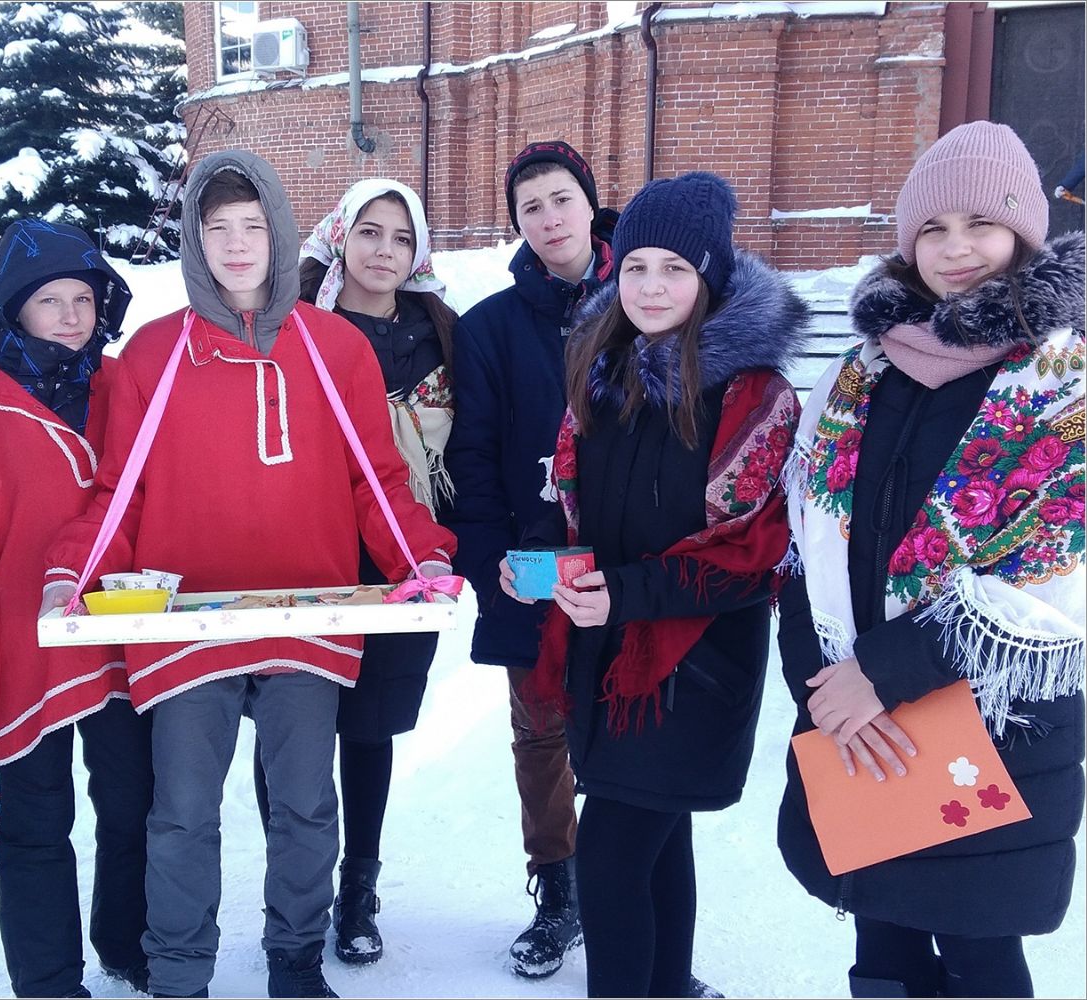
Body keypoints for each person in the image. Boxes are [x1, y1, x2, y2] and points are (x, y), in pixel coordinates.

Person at [42, 151, 457, 1000]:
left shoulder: (334, 347)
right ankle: (179, 973)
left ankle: (294, 961)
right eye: (217, 228)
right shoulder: (153, 354)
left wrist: (422, 556)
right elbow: (121, 489)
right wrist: (70, 574)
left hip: (308, 611)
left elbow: (374, 479)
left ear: (282, 234)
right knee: (182, 813)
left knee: (304, 806)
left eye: (253, 227)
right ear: (194, 240)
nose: (236, 245)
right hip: (184, 622)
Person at [777, 121, 1085, 998]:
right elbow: (806, 538)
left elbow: (1059, 568)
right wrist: (826, 688)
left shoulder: (1063, 382)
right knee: (882, 948)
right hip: (858, 719)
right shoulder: (859, 373)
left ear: (1021, 233)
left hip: (992, 722)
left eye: (980, 225)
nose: (955, 249)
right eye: (933, 228)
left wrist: (883, 673)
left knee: (978, 951)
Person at [510, 172, 808, 998]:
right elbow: (570, 501)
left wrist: (627, 593)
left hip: (690, 668)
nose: (649, 287)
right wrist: (537, 556)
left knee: (609, 855)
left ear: (708, 277)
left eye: (673, 269)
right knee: (656, 839)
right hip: (606, 659)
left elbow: (751, 554)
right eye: (635, 265)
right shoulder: (602, 372)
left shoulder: (753, 394)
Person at [0, 219, 153, 998]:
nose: (69, 316)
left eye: (83, 299)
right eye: (49, 300)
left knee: (132, 799)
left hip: (122, 630)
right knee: (36, 821)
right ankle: (49, 981)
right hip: (24, 645)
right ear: (13, 306)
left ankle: (128, 943)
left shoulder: (122, 386)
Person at [259, 177, 459, 965]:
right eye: (370, 231)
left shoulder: (443, 333)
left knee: (368, 729)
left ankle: (357, 888)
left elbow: (468, 442)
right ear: (340, 236)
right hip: (304, 553)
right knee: (288, 728)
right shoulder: (294, 326)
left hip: (401, 555)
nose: (384, 250)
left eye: (402, 238)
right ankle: (292, 887)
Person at [443, 139, 617, 979]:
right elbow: (471, 459)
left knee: (628, 727)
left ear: (590, 202)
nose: (549, 219)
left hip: (627, 563)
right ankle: (559, 889)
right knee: (540, 728)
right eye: (530, 207)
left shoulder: (646, 297)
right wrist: (490, 566)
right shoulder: (489, 328)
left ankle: (625, 897)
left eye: (560, 199)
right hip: (535, 563)